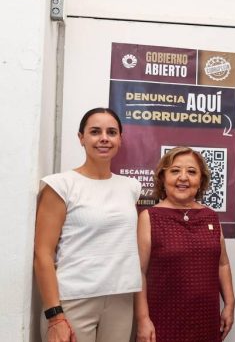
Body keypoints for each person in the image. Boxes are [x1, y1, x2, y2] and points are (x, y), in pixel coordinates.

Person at [34, 107, 142, 342]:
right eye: (95, 132)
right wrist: (55, 315)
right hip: (72, 301)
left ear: (120, 139)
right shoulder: (60, 185)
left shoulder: (131, 187)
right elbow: (42, 254)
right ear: (81, 138)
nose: (104, 138)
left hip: (121, 299)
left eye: (111, 132)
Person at [135, 146, 235, 342]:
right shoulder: (150, 217)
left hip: (206, 319)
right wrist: (143, 319)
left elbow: (222, 264)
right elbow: (139, 272)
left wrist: (230, 304)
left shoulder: (211, 216)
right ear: (163, 178)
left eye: (191, 171)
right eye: (175, 171)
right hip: (163, 320)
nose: (183, 177)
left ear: (201, 180)